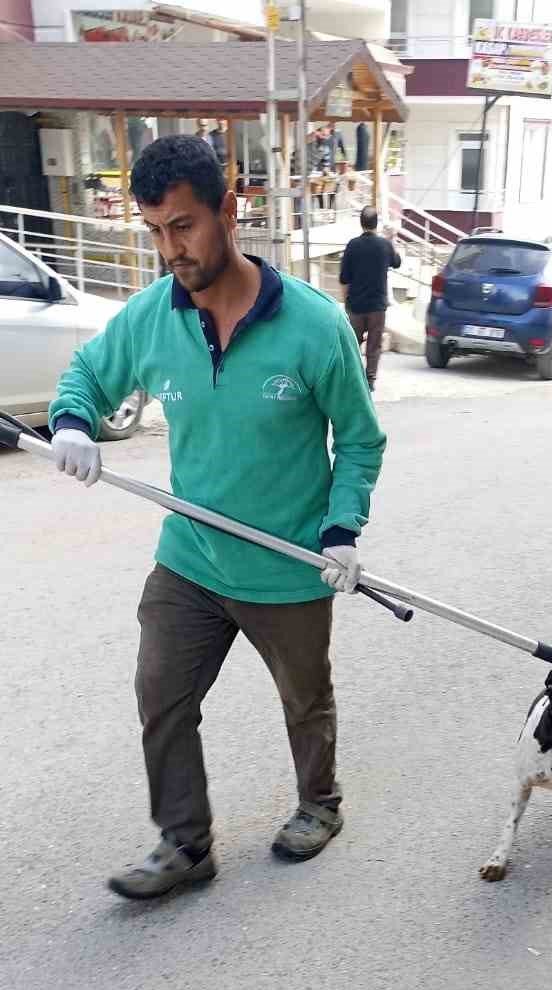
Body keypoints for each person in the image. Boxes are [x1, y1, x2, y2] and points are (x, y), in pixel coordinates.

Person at [49, 135, 386, 900]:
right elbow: (89, 376)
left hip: (288, 562)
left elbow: (360, 439)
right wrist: (72, 422)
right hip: (192, 558)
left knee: (305, 700)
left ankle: (319, 803)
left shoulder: (312, 325)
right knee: (161, 696)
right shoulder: (151, 317)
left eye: (183, 225)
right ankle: (184, 843)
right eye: (154, 231)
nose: (170, 248)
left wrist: (341, 530)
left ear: (228, 211)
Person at [339, 207, 401, 392]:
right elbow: (397, 262)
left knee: (353, 344)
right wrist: (392, 241)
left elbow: (344, 278)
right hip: (377, 306)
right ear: (376, 224)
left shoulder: (352, 245)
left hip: (356, 305)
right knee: (374, 345)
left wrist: (346, 301)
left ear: (361, 223)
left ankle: (352, 378)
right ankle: (370, 380)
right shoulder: (384, 245)